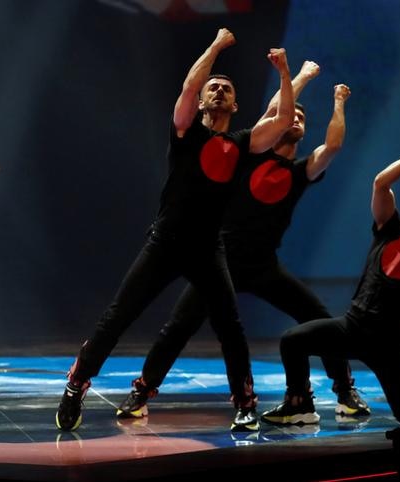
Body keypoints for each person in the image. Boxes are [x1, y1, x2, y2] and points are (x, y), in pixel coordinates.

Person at [55, 28, 295, 432]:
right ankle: (76, 384)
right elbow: (189, 85)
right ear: (202, 100)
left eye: (226, 89)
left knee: (230, 328)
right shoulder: (185, 130)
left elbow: (284, 119)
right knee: (118, 316)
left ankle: (245, 403)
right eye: (213, 87)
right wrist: (217, 46)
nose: (218, 91)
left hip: (206, 249)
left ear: (235, 106)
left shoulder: (241, 144)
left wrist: (286, 72)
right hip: (165, 241)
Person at [116, 61, 372, 428]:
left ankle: (345, 391)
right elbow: (275, 111)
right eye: (291, 115)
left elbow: (332, 146)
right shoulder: (250, 152)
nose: (294, 120)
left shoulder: (301, 172)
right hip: (221, 259)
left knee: (318, 318)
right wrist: (299, 76)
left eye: (301, 118)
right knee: (178, 326)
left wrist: (339, 102)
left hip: (264, 265)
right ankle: (142, 392)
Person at [263, 140, 400, 426]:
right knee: (292, 340)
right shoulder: (390, 230)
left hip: (388, 346)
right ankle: (298, 404)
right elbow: (381, 183)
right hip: (352, 327)